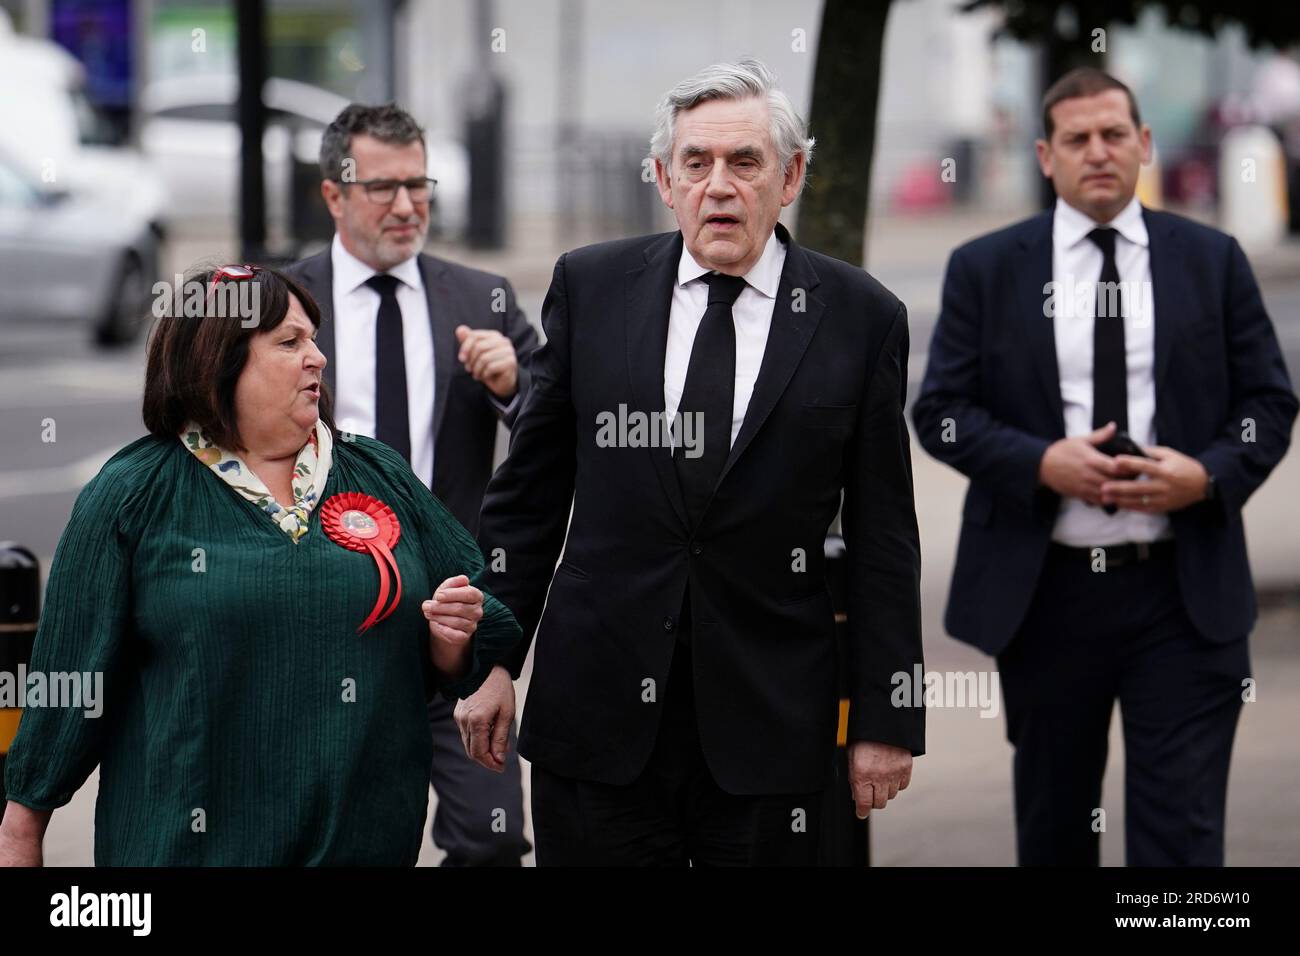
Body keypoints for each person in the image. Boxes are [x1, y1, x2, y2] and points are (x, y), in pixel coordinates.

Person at [460, 58, 924, 866]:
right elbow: (529, 498)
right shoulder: (591, 287)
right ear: (663, 180)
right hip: (598, 723)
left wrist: (886, 719)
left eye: (745, 163)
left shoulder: (862, 318)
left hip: (771, 730)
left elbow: (886, 540)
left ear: (792, 176)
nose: (719, 186)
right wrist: (494, 659)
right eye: (695, 164)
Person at [0, 265, 520, 866]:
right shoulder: (133, 493)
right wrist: (22, 828)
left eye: (315, 339)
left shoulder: (378, 472)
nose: (318, 358)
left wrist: (457, 643)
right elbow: (70, 676)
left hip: (363, 845)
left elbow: (474, 622)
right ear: (219, 360)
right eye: (290, 342)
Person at [912, 68, 1299, 866]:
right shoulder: (986, 268)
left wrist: (1210, 475)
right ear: (1046, 157)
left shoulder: (1211, 260)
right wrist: (1039, 462)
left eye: (1115, 135)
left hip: (1183, 595)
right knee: (1056, 832)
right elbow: (940, 412)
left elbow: (1270, 399)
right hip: (1047, 598)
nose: (1099, 152)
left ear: (1144, 145)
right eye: (1078, 139)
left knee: (1182, 841)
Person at [285, 104, 538, 866]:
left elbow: (557, 436)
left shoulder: (481, 296)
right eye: (382, 188)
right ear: (334, 195)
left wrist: (514, 383)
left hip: (450, 617)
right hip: (326, 616)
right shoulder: (282, 303)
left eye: (418, 185)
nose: (406, 206)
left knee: (490, 841)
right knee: (326, 842)